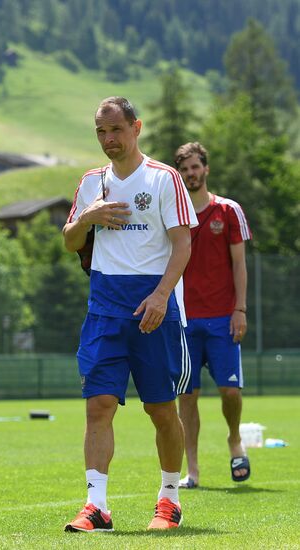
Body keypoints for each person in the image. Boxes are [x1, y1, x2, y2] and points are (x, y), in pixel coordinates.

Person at [62, 97, 198, 533]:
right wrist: (88, 217)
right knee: (98, 405)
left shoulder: (164, 179)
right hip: (104, 306)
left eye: (116, 130)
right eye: (101, 132)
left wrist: (161, 296)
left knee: (161, 409)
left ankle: (169, 498)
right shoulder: (91, 182)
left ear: (136, 127)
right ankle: (96, 506)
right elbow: (69, 241)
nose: (108, 140)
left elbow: (182, 245)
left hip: (151, 308)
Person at [174, 142, 252, 489]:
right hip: (185, 321)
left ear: (205, 169)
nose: (191, 173)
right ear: (180, 174)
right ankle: (192, 471)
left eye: (195, 167)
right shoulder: (173, 214)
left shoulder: (228, 210)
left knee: (230, 392)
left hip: (223, 318)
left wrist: (240, 309)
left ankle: (234, 439)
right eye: (185, 169)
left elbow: (239, 264)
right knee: (187, 396)